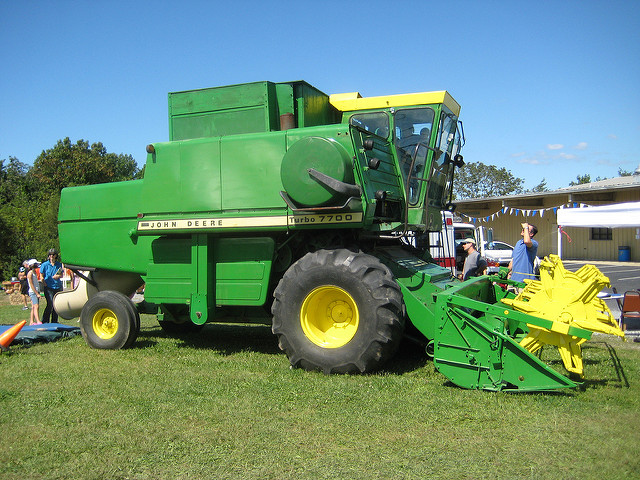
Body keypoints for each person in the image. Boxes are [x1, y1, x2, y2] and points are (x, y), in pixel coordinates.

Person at [40, 248, 63, 324]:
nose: (51, 256)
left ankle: (54, 321)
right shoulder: (45, 265)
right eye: (50, 255)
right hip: (49, 287)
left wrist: (58, 276)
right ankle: (45, 320)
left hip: (57, 286)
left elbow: (61, 274)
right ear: (48, 256)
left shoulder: (59, 265)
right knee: (50, 304)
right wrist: (44, 282)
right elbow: (41, 275)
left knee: (56, 305)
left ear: (56, 255)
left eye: (53, 255)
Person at [26, 259, 42, 325]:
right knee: (36, 306)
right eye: (35, 264)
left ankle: (31, 321)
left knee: (33, 306)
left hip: (35, 291)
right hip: (33, 292)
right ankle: (38, 320)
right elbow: (31, 284)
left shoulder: (34, 272)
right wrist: (37, 293)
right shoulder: (30, 273)